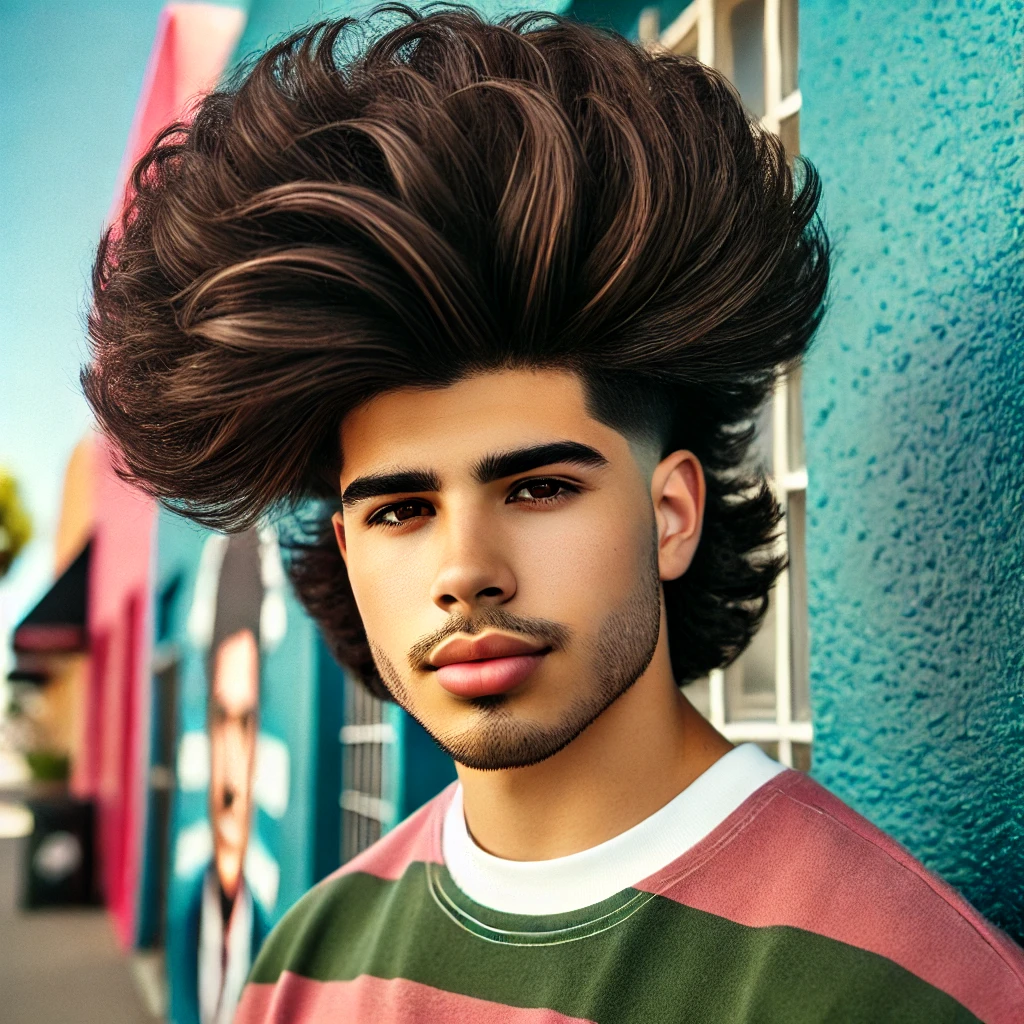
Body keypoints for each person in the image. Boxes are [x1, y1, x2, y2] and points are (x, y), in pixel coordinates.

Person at [83, 7, 1024, 1021]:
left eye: (537, 488)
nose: (466, 568)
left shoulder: (899, 984)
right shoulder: (303, 963)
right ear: (348, 548)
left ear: (670, 513)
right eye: (401, 509)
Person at [171, 530, 270, 1024]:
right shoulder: (190, 919)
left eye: (248, 724)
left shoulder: (278, 938)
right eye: (221, 719)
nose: (229, 783)